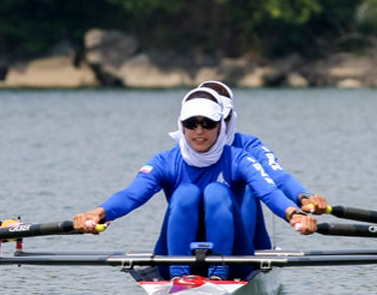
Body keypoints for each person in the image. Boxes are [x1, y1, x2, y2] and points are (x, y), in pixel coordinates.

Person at [73, 91, 317, 280]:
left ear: (221, 126)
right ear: (182, 126)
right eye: (192, 124)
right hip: (173, 255)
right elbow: (131, 195)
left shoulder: (239, 158)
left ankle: (218, 273)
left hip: (235, 258)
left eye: (208, 124)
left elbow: (269, 191)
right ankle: (180, 275)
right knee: (186, 193)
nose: (199, 131)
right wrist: (98, 213)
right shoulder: (165, 161)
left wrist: (295, 214)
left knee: (216, 191)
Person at [191, 80, 329, 252]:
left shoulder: (248, 147)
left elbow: (279, 178)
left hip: (245, 243)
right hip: (193, 240)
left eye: (216, 119)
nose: (203, 129)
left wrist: (304, 197)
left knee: (250, 185)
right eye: (197, 121)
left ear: (229, 117)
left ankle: (238, 260)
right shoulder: (180, 155)